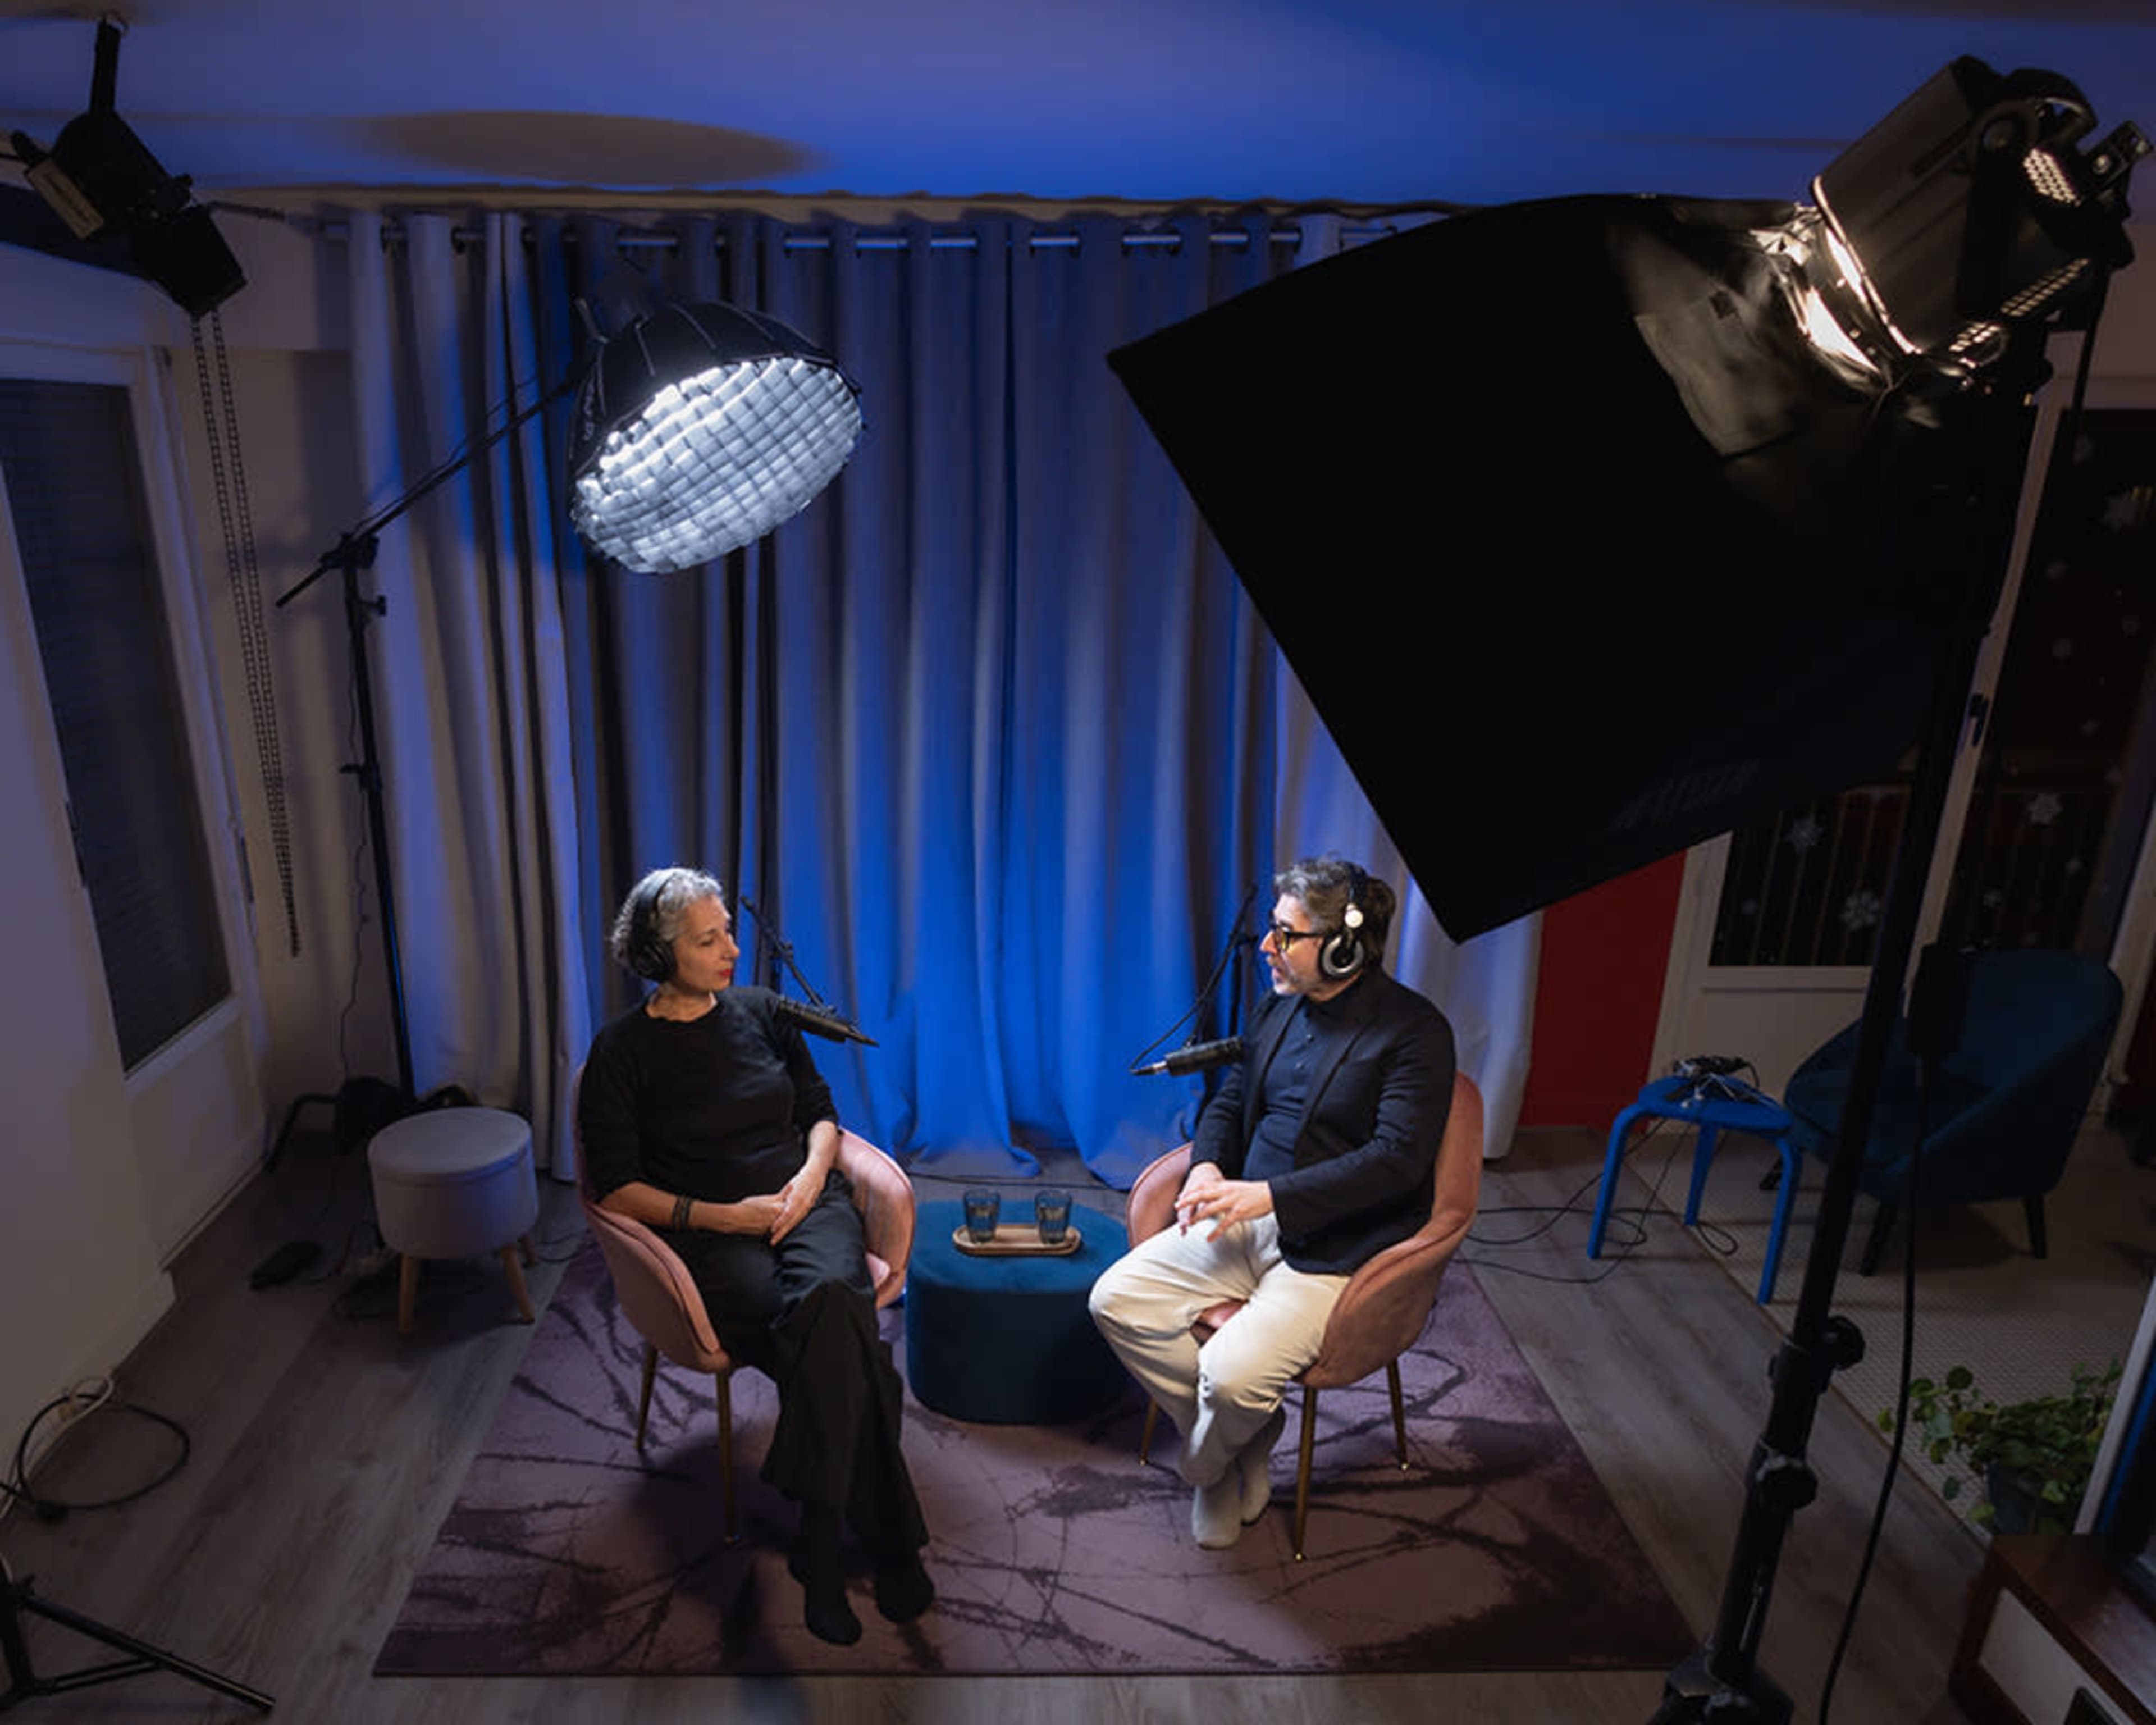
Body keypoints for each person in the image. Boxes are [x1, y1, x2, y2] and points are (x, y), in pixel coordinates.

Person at [577, 866, 931, 1645]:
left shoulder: (764, 1012)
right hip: (710, 1233)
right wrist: (726, 1217)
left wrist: (809, 1179)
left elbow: (822, 1115)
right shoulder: (622, 1052)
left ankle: (821, 1541)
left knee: (828, 1305)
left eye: (729, 933)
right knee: (845, 1340)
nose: (733, 951)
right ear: (660, 955)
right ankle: (889, 1542)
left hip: (808, 1206)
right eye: (709, 941)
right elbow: (618, 1188)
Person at [1089, 856, 1456, 1549]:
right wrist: (1206, 1165)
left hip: (1336, 1249)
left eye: (1287, 934)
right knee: (1115, 1301)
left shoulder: (1416, 1033)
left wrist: (1270, 1197)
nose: (1266, 947)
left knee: (1230, 1382)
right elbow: (1232, 1101)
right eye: (1271, 928)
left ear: (1345, 947)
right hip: (1240, 1215)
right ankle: (1249, 1436)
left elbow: (1397, 1162)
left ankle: (1207, 1466)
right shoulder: (1275, 1009)